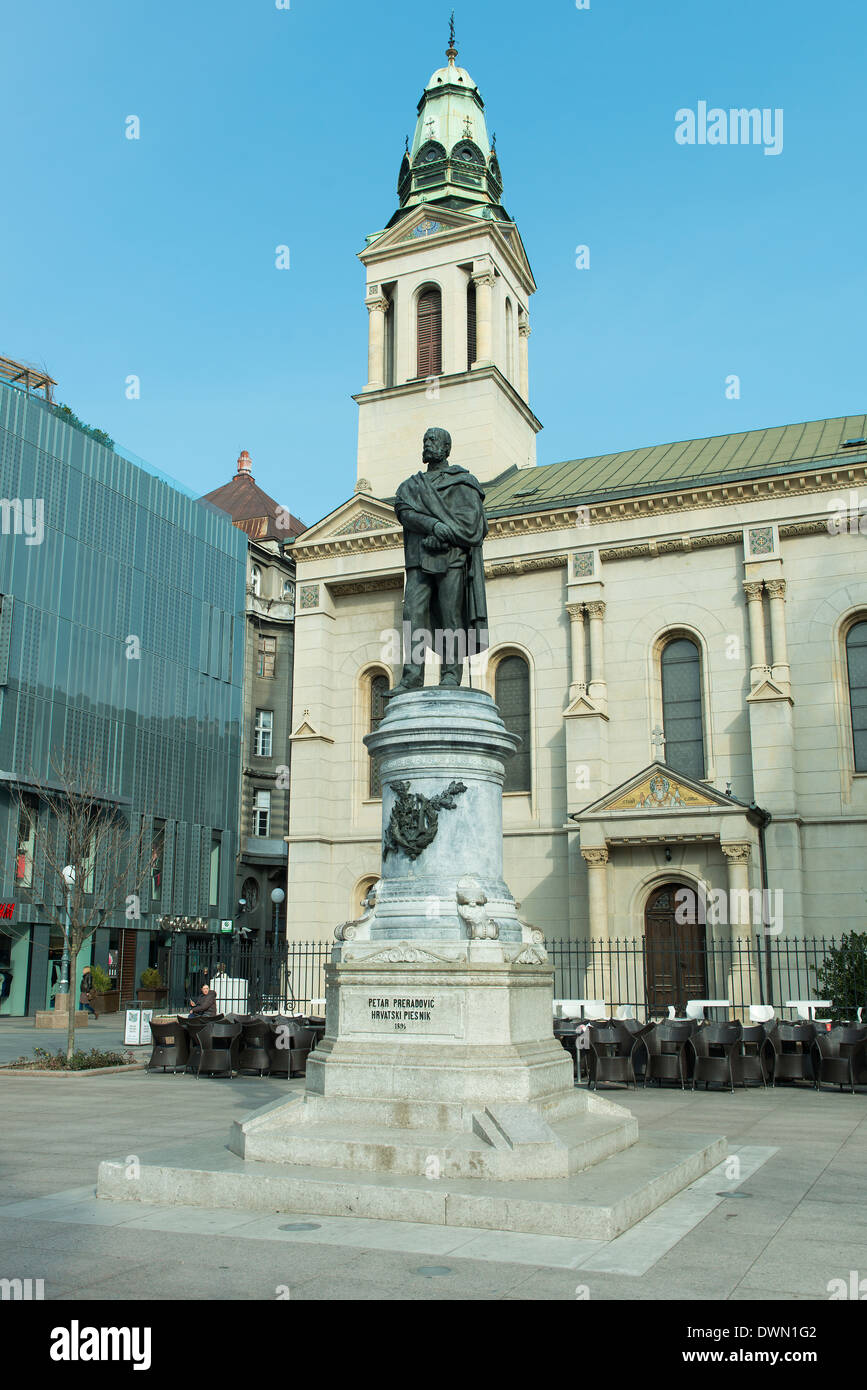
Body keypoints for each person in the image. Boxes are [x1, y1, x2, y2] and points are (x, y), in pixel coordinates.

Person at [389, 427, 488, 694]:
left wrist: (444, 537)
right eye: (425, 440)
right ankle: (411, 678)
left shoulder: (464, 482)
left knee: (450, 616)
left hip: (452, 558)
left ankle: (450, 675)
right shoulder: (411, 486)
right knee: (412, 614)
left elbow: (473, 526)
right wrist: (433, 526)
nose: (427, 444)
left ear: (446, 448)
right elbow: (405, 513)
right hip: (419, 558)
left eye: (433, 440)